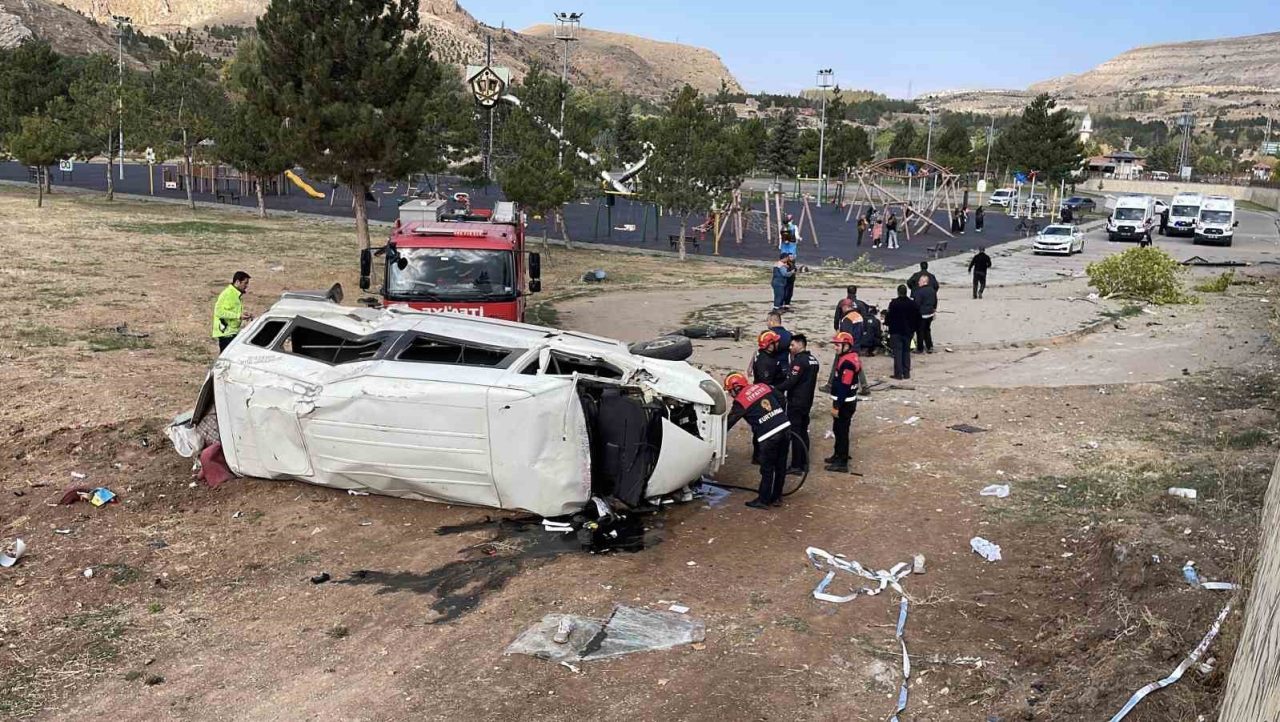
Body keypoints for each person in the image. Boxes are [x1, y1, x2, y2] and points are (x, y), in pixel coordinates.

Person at [724, 373, 791, 509]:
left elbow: (729, 422)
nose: (731, 395)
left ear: (736, 388)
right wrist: (777, 416)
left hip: (769, 436)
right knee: (780, 466)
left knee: (767, 469)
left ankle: (764, 500)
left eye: (730, 391)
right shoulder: (763, 386)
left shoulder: (741, 401)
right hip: (785, 427)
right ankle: (777, 497)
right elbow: (782, 399)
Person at [775, 334, 819, 475]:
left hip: (796, 401)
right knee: (803, 431)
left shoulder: (799, 362)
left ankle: (796, 465)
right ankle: (804, 462)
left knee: (795, 433)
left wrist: (775, 389)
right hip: (807, 401)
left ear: (801, 344)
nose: (790, 348)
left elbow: (791, 382)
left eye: (792, 345)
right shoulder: (814, 361)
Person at [825, 331, 862, 473]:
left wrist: (836, 406)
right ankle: (838, 455)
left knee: (841, 432)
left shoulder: (847, 363)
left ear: (846, 345)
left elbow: (844, 386)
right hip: (847, 401)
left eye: (838, 345)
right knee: (838, 429)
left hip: (844, 403)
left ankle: (842, 461)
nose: (835, 347)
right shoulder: (851, 357)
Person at [212, 271, 253, 352]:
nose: (247, 286)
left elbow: (231, 310)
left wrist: (242, 314)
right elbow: (219, 311)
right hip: (226, 334)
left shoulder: (235, 294)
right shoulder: (228, 293)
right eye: (245, 283)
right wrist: (238, 316)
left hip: (232, 333)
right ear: (237, 282)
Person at [886, 285, 921, 380]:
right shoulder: (912, 304)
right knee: (906, 352)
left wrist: (887, 324)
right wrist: (914, 329)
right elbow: (918, 318)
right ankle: (906, 373)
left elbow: (889, 317)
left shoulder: (894, 303)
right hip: (908, 331)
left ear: (898, 292)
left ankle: (898, 373)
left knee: (897, 352)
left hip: (896, 331)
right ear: (906, 292)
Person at [911, 276, 938, 354]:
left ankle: (920, 348)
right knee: (927, 330)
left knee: (920, 331)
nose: (918, 282)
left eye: (920, 281)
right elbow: (935, 301)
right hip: (930, 313)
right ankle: (929, 346)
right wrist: (934, 309)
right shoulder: (932, 290)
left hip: (922, 314)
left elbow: (917, 304)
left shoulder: (919, 292)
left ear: (924, 282)